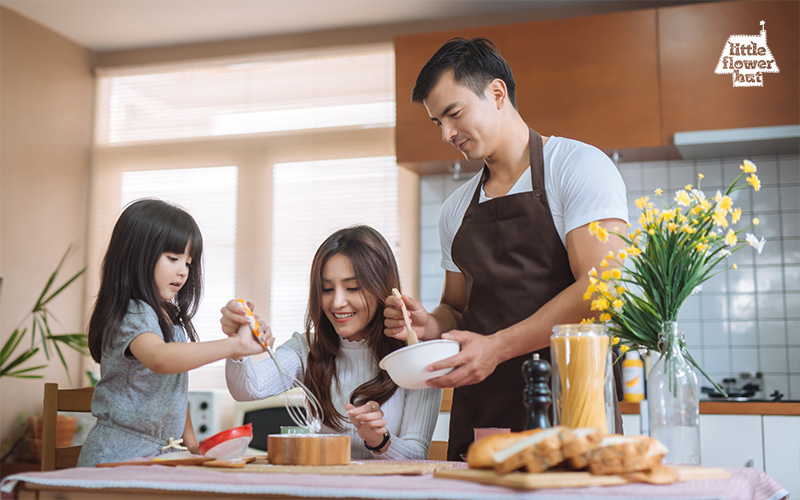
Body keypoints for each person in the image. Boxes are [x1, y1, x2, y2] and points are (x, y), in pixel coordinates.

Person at [383, 38, 629, 460]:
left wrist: (495, 347)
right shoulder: (455, 209)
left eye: (454, 114)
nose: (446, 134)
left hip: (570, 403)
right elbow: (456, 309)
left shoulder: (577, 167)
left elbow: (601, 288)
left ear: (497, 94)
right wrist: (428, 324)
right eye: (436, 122)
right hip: (483, 408)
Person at [220, 226, 442, 460]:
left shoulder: (416, 357)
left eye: (352, 288)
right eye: (326, 289)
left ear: (381, 288)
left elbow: (417, 455)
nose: (336, 302)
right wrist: (238, 344)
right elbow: (247, 389)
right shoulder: (308, 348)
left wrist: (380, 441)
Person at [78, 199, 265, 467]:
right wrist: (235, 346)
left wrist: (192, 447)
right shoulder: (131, 311)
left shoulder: (168, 318)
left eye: (188, 263)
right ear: (135, 255)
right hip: (118, 457)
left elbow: (174, 396)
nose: (183, 271)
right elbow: (159, 358)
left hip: (159, 455)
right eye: (173, 258)